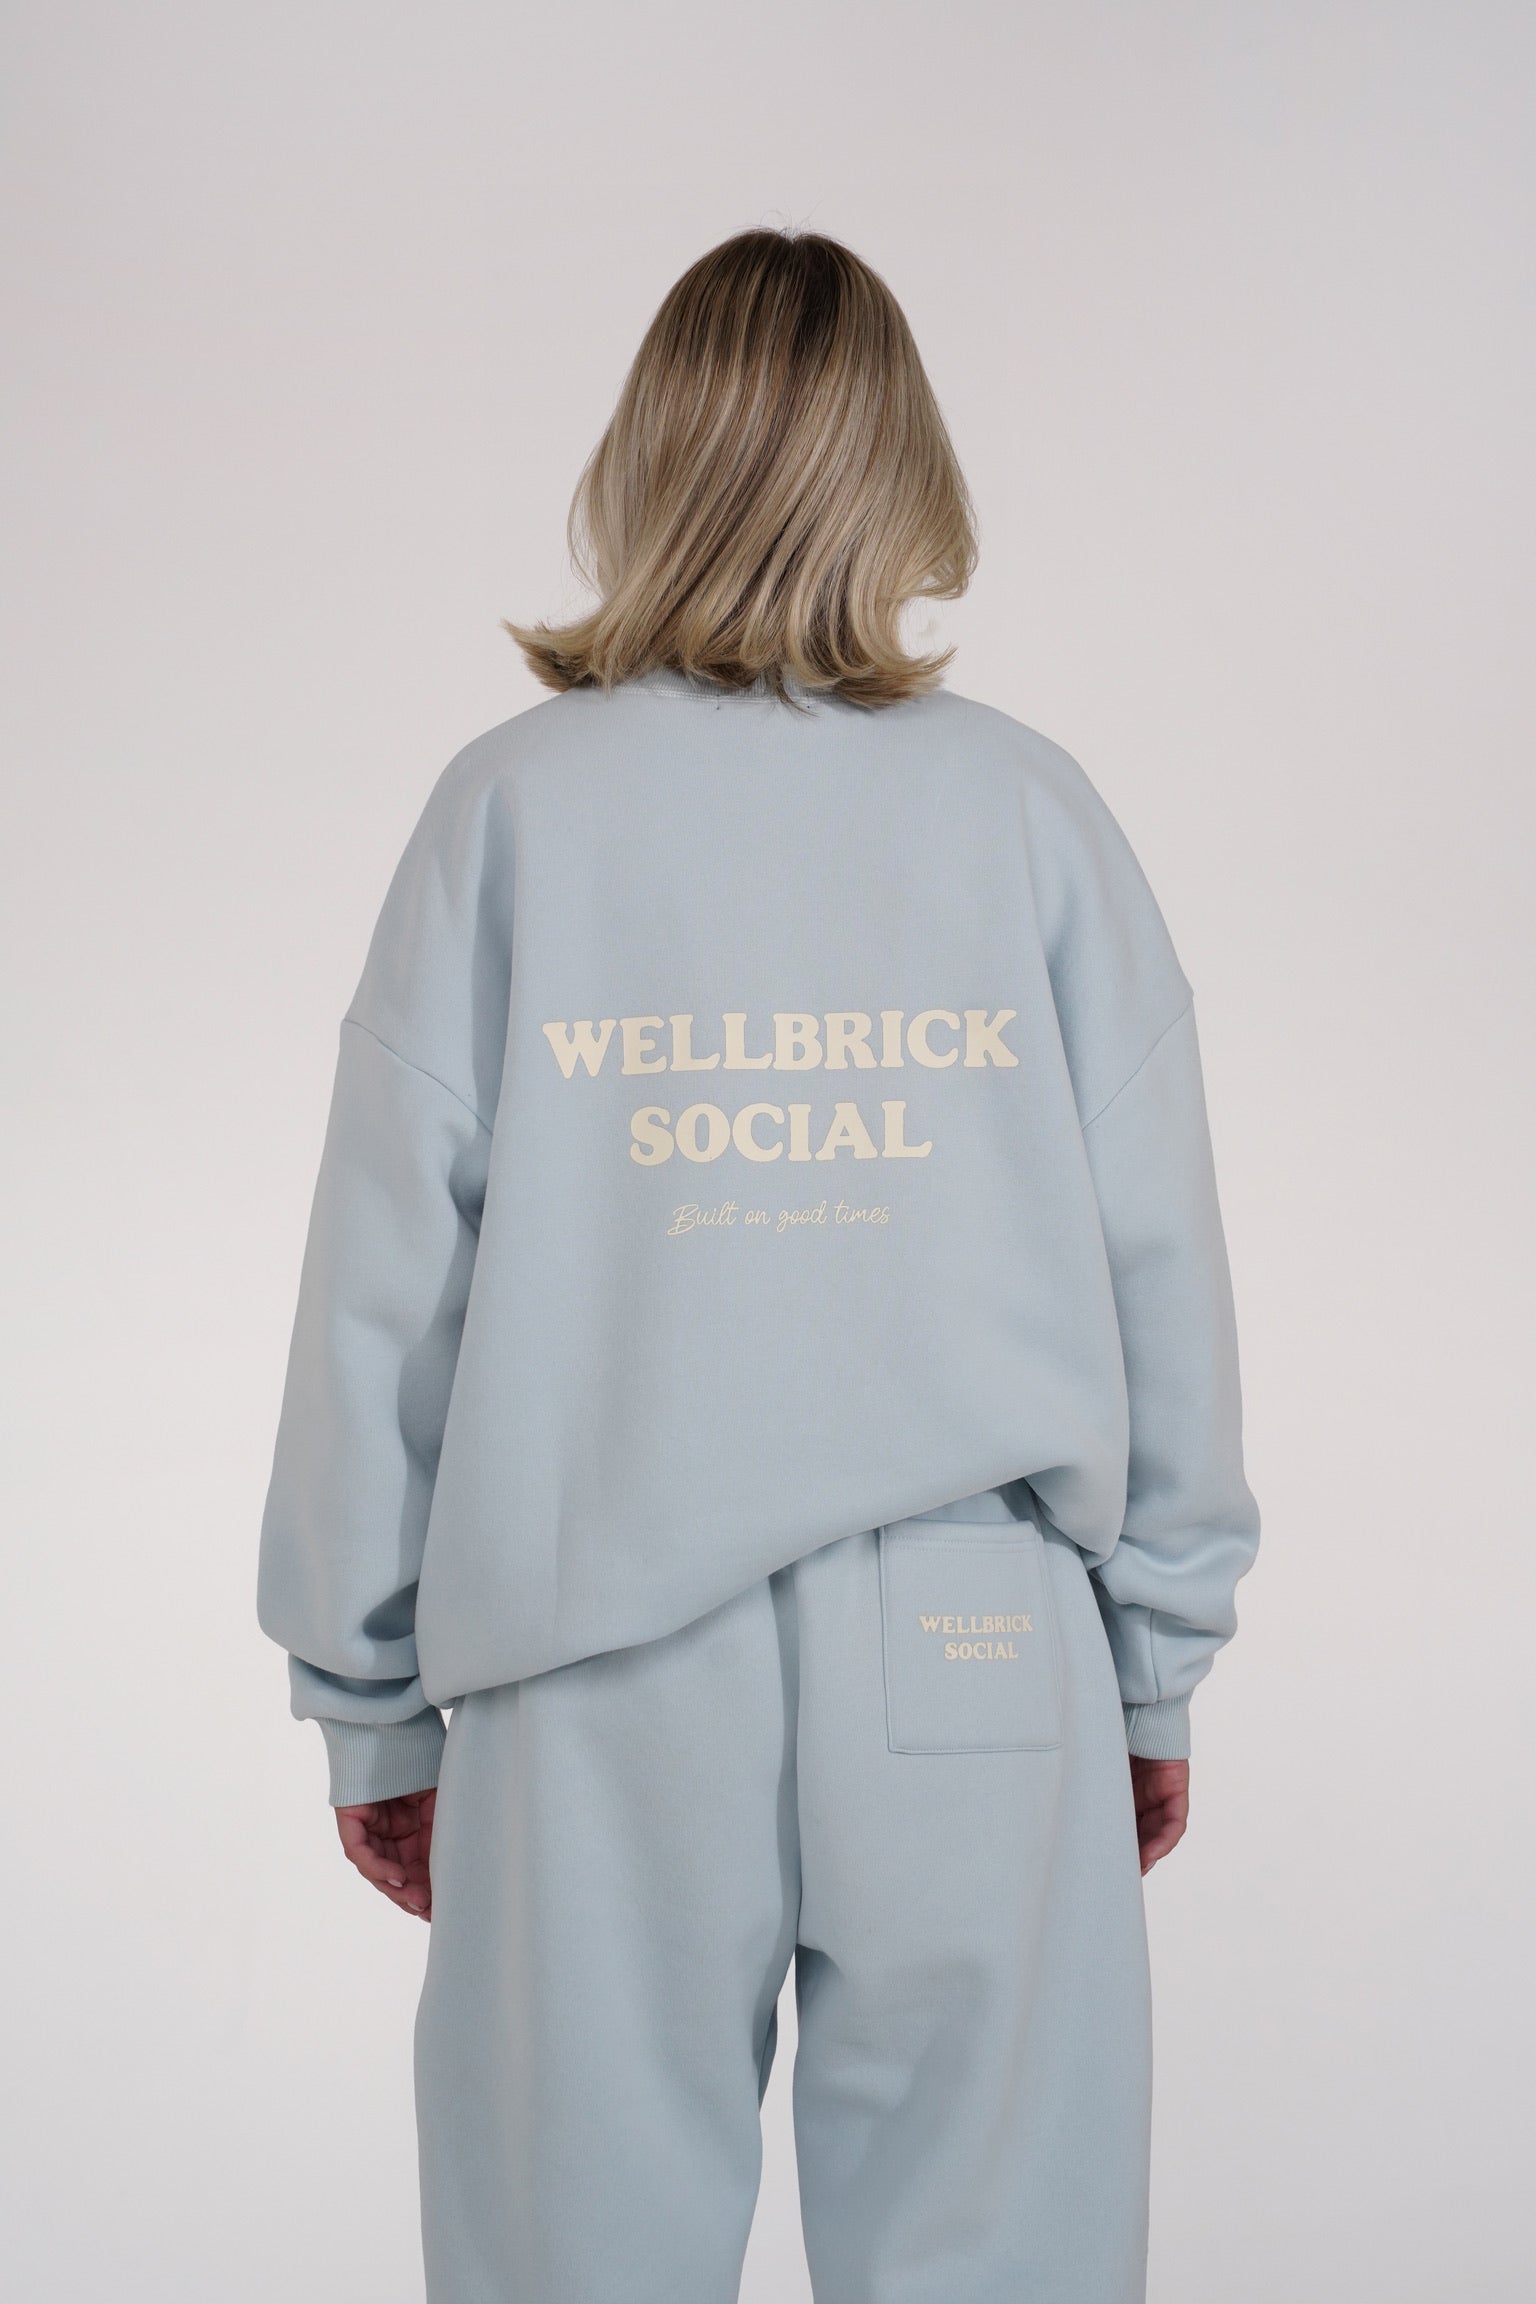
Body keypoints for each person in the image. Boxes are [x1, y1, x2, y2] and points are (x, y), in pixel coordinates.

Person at [257, 226, 1260, 2304]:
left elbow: (385, 1292)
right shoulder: (1033, 815)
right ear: (907, 469)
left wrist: (371, 1699)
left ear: (645, 460)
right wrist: (1153, 1653)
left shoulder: (510, 812)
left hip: (596, 1656)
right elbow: (1159, 1255)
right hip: (985, 1644)